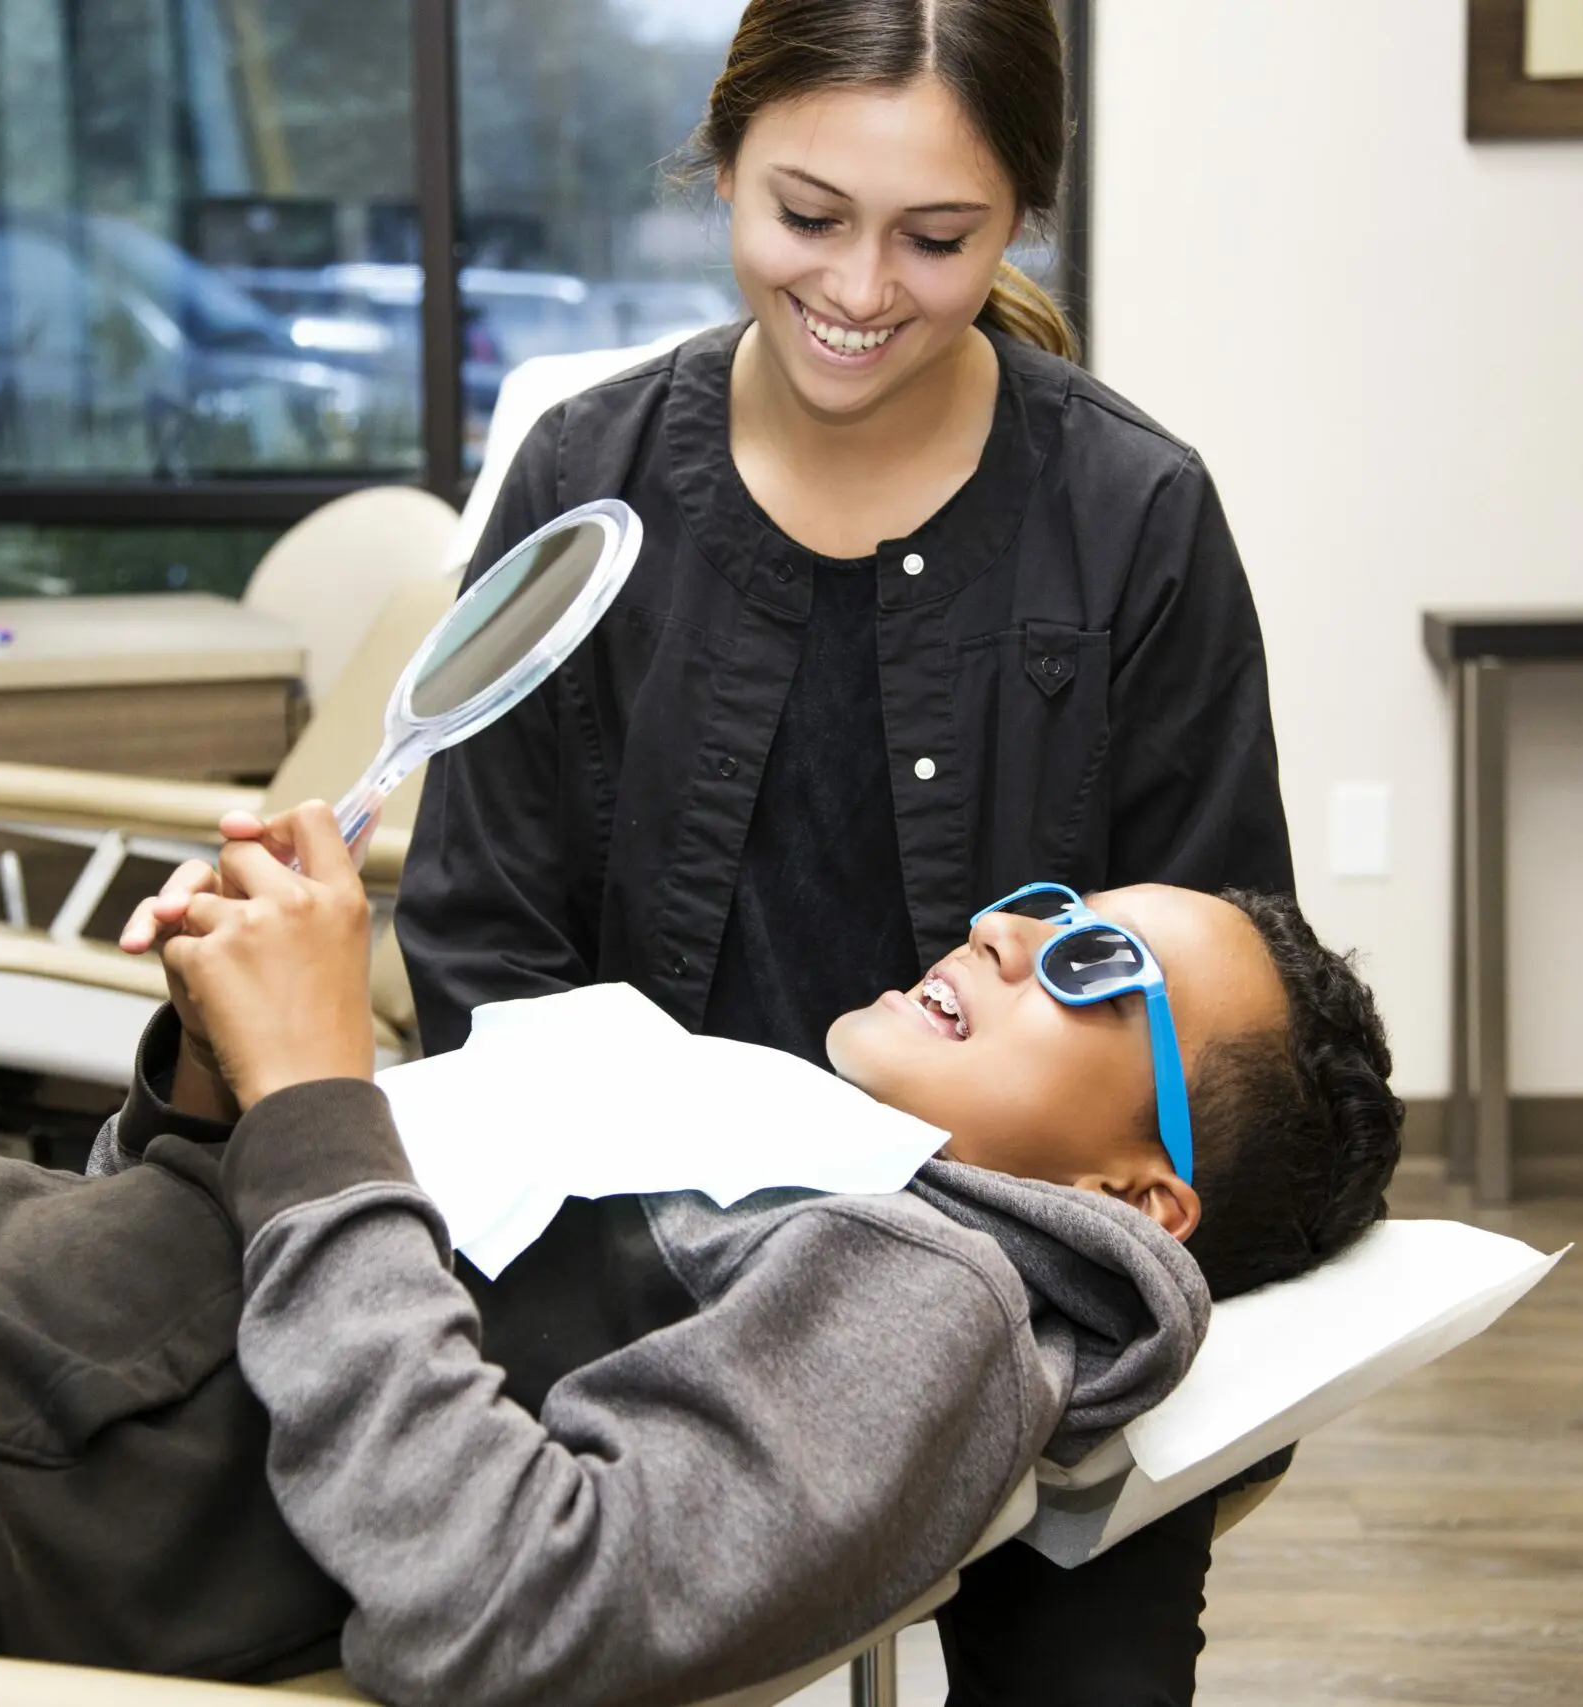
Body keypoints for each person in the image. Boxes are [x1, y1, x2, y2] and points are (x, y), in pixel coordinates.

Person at [0, 804, 1399, 1707]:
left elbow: (506, 1605)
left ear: (1143, 1198)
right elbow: (231, 1275)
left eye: (1089, 966)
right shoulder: (783, 1134)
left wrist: (314, 1091)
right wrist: (213, 1068)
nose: (996, 933)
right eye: (1039, 899)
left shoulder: (939, 1303)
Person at [396, 2, 1294, 1699]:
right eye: (807, 217)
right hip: (634, 1273)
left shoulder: (1132, 518)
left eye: (937, 237)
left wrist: (975, 1310)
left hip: (1012, 1313)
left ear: (1019, 212)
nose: (863, 288)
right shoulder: (589, 485)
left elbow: (1220, 990)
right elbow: (477, 943)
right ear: (722, 163)